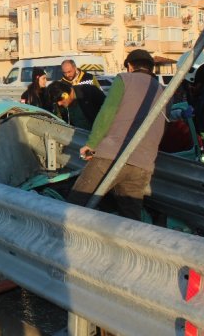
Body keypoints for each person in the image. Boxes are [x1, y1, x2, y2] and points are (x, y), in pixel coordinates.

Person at [66, 50, 166, 221]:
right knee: (130, 218)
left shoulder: (124, 79)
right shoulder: (163, 90)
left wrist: (92, 144)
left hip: (110, 156)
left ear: (129, 66)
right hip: (143, 164)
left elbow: (107, 113)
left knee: (76, 204)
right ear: (151, 68)